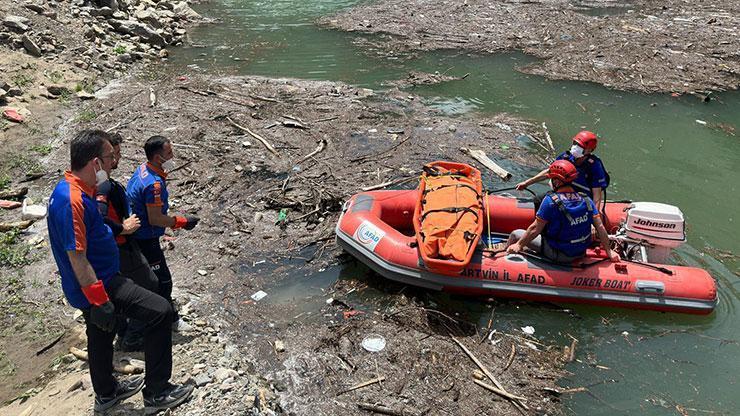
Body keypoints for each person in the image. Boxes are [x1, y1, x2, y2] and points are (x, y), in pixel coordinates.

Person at [47, 129, 193, 413]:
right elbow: (76, 256)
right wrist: (100, 299)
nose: (114, 161)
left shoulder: (73, 189)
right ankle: (158, 392)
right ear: (95, 163)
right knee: (160, 310)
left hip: (96, 280)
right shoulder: (72, 199)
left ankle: (107, 392)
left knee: (100, 332)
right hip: (99, 282)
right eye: (109, 157)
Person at [126, 135, 199, 331]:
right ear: (158, 157)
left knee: (147, 278)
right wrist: (181, 222)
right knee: (163, 281)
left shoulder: (143, 170)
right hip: (145, 236)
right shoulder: (154, 185)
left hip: (137, 233)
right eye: (169, 152)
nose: (173, 155)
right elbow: (155, 218)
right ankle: (169, 320)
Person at [95, 132, 159, 351]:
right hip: (121, 245)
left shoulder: (100, 183)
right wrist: (123, 227)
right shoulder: (102, 186)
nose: (117, 159)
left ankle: (123, 331)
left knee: (121, 288)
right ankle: (132, 336)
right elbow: (99, 216)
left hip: (117, 244)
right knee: (149, 284)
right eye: (114, 155)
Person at [506, 160, 620, 264]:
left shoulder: (550, 201)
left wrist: (519, 245)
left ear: (556, 181)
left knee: (516, 234)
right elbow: (600, 227)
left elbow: (535, 229)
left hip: (558, 254)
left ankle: (506, 259)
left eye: (551, 178)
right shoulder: (586, 199)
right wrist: (609, 252)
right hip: (580, 252)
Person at [516, 130, 609, 209]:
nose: (576, 147)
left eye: (580, 146)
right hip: (563, 193)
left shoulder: (594, 165)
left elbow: (597, 196)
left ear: (589, 150)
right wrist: (527, 183)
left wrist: (594, 217)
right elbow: (550, 171)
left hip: (582, 199)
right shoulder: (566, 156)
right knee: (538, 200)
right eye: (575, 143)